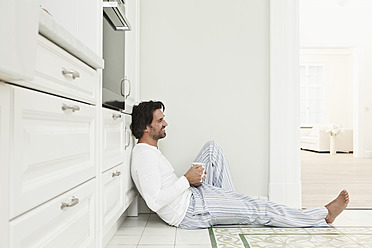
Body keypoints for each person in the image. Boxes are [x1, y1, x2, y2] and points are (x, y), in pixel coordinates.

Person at [130, 100, 349, 229]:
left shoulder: (148, 150)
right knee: (258, 208)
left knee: (212, 148)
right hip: (190, 212)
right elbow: (155, 201)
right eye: (160, 121)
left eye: (163, 118)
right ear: (146, 129)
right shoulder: (144, 157)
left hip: (192, 197)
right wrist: (186, 180)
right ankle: (322, 215)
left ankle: (230, 205)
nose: (165, 122)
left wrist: (190, 182)